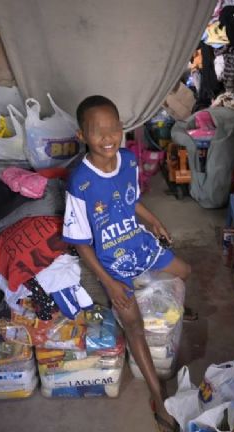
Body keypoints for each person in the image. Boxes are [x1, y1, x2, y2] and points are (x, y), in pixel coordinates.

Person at [64, 95, 190, 431]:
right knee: (134, 326)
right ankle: (157, 396)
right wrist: (110, 282)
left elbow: (132, 202)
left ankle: (176, 308)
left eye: (113, 129)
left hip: (137, 241)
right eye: (97, 132)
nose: (107, 138)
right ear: (82, 136)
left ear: (123, 128)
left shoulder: (128, 160)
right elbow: (80, 244)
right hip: (110, 260)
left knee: (185, 273)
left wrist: (154, 222)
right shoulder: (80, 182)